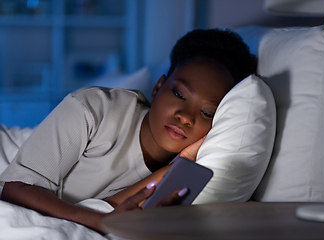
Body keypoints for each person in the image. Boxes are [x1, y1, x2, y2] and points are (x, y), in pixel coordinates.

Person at [0, 28, 257, 234]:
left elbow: (114, 210)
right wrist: (102, 222)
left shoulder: (193, 165)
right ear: (158, 87)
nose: (185, 116)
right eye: (179, 94)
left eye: (207, 113)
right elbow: (16, 189)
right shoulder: (94, 107)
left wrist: (179, 165)